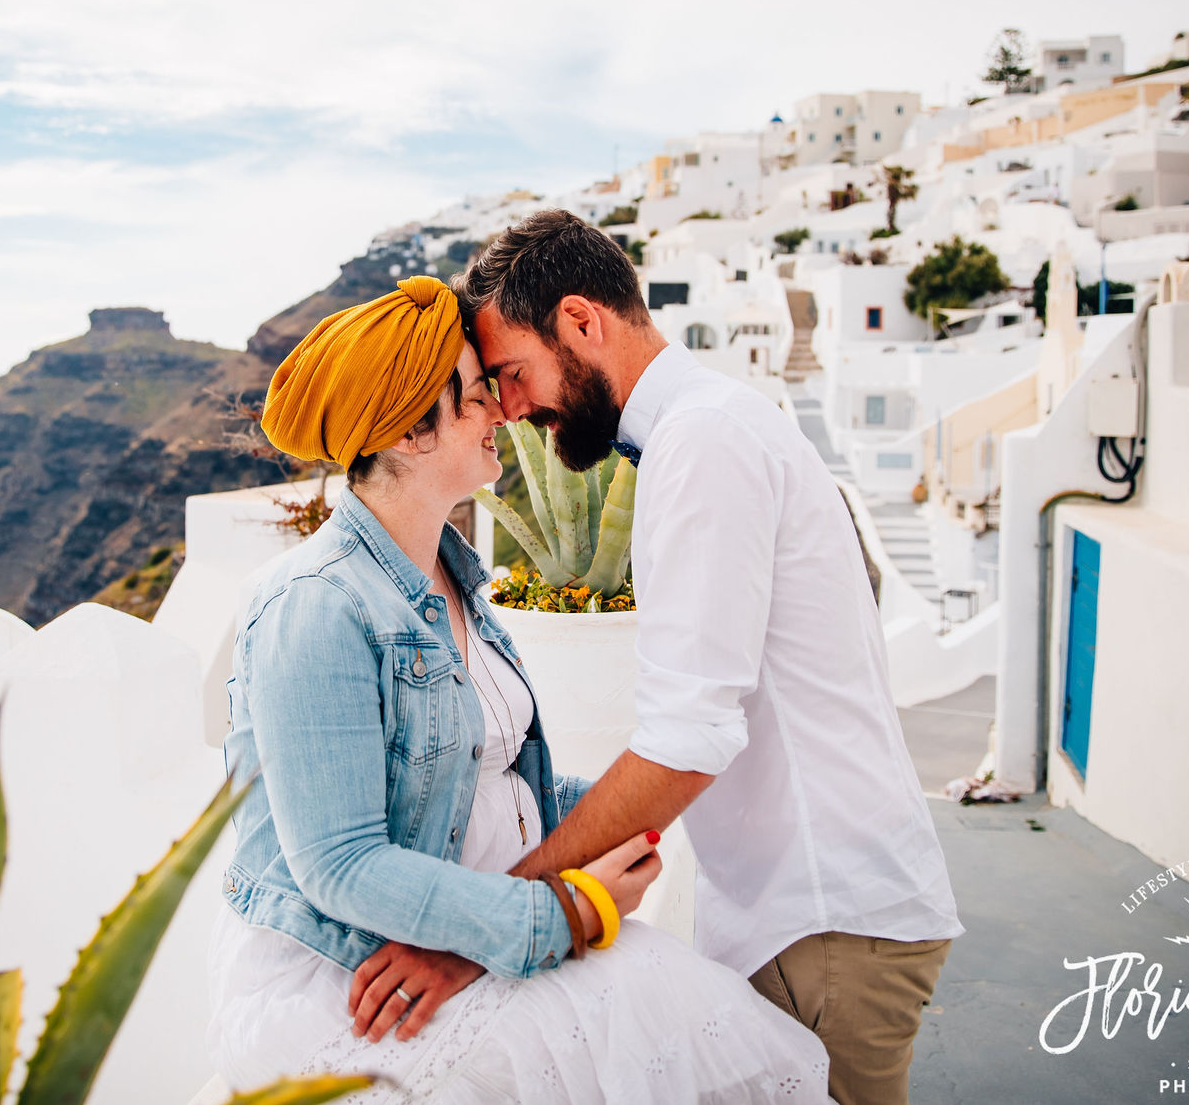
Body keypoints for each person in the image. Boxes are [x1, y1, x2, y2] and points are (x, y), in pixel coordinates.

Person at [368, 209, 956, 1105]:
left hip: (826, 923)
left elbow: (689, 735)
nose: (514, 407)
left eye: (513, 373)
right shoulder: (721, 423)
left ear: (580, 322)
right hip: (824, 913)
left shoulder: (702, 443)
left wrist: (493, 925)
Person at [206, 275, 831, 1103]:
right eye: (471, 397)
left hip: (466, 939)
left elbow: (498, 784)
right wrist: (559, 915)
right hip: (358, 980)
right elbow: (341, 863)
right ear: (406, 433)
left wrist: (621, 835)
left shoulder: (458, 583)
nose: (501, 411)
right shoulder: (314, 605)